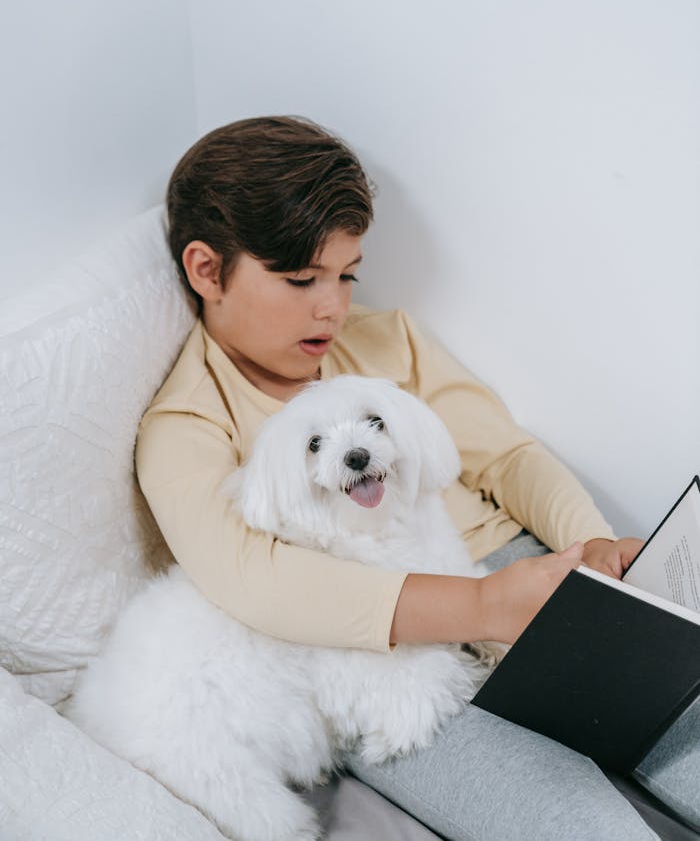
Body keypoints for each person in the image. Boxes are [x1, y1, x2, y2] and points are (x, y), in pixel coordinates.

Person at [135, 115, 699, 841]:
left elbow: (507, 457)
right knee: (572, 826)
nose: (332, 307)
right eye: (302, 279)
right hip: (380, 664)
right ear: (206, 270)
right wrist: (480, 606)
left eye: (346, 275)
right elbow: (255, 581)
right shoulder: (184, 428)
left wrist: (588, 545)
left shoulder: (385, 339)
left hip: (517, 574)